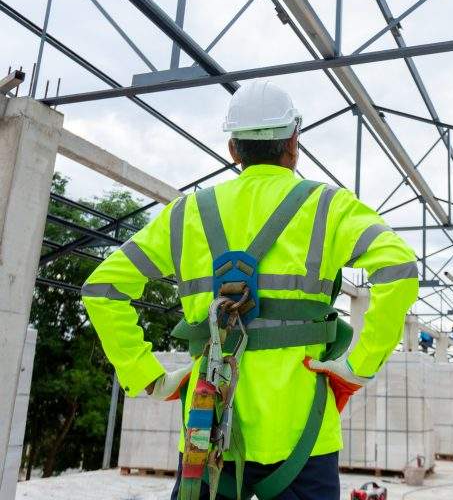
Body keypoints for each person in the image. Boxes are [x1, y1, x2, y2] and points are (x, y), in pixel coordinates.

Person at [82, 80, 419, 499]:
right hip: (302, 434)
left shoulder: (185, 214)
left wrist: (148, 377)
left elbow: (102, 288)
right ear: (293, 143)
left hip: (208, 429)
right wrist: (361, 365)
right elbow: (399, 267)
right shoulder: (329, 206)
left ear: (233, 149)